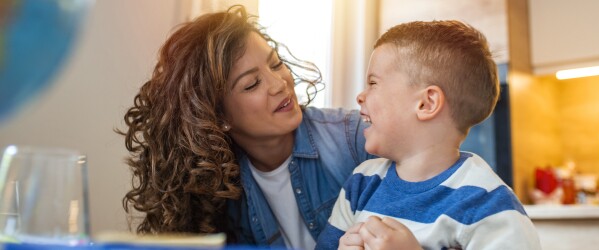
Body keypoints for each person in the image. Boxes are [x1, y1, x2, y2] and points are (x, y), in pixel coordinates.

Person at [117, 5, 372, 250]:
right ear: (216, 116)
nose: (279, 84)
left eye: (275, 64)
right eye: (252, 84)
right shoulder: (219, 189)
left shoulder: (355, 139)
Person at [316, 20, 541, 249]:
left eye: (373, 83)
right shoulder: (361, 183)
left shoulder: (487, 202)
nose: (361, 96)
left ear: (426, 103)